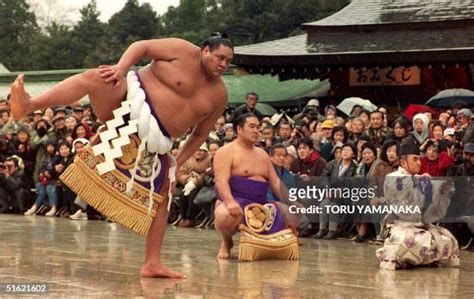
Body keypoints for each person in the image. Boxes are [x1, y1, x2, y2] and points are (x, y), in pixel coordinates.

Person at [10, 35, 234, 278]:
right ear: (205, 51)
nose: (223, 64)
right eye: (220, 57)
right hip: (126, 107)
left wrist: (177, 162)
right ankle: (29, 105)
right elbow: (142, 47)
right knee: (97, 77)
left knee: (163, 199)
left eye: (228, 61)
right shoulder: (182, 50)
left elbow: (200, 134)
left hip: (157, 144)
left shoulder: (219, 94)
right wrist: (121, 68)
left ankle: (152, 263)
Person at [213, 114, 292, 259]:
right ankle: (226, 241)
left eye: (258, 127)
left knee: (289, 211)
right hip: (236, 199)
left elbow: (275, 182)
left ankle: (266, 245)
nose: (256, 131)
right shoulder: (225, 152)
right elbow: (221, 181)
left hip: (262, 202)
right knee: (224, 215)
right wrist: (230, 202)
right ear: (239, 129)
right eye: (251, 127)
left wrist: (291, 201)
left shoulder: (262, 154)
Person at [376, 137, 460, 270]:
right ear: (403, 162)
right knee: (410, 242)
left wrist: (441, 188)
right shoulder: (393, 177)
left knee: (447, 240)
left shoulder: (417, 178)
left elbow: (429, 198)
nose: (419, 163)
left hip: (420, 224)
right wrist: (423, 183)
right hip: (400, 223)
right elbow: (404, 199)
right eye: (415, 159)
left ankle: (423, 261)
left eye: (419, 159)